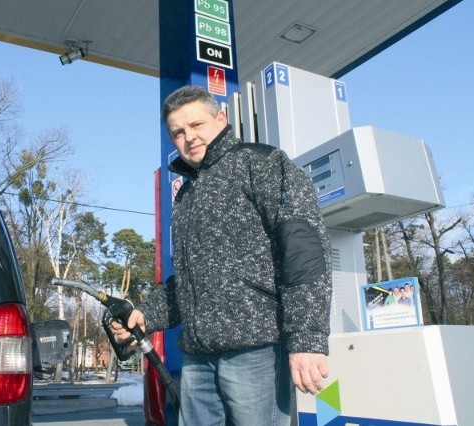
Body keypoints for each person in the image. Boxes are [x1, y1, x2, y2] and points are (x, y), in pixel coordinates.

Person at [111, 86, 333, 426]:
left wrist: (306, 338)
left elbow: (303, 249)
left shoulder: (262, 163)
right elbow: (187, 283)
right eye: (178, 132)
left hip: (257, 353)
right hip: (198, 358)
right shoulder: (185, 196)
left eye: (196, 124)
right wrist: (146, 313)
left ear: (221, 119)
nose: (189, 137)